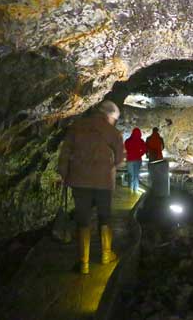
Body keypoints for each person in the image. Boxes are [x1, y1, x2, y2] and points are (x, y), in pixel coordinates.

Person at [58, 100, 124, 274]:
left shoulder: (76, 127)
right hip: (103, 182)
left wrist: (65, 174)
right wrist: (109, 166)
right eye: (114, 119)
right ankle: (106, 255)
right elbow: (119, 159)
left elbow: (64, 154)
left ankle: (84, 263)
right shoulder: (112, 131)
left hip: (79, 181)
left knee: (83, 220)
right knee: (104, 217)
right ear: (109, 115)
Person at [124, 128, 146, 193]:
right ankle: (136, 190)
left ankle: (130, 190)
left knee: (131, 175)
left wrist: (129, 154)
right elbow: (144, 149)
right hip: (138, 160)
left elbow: (126, 148)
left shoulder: (128, 141)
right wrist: (140, 154)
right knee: (136, 175)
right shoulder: (141, 141)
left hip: (130, 159)